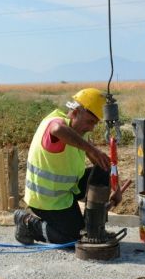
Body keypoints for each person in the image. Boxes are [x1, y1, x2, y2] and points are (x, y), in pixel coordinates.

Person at [14, 88, 124, 245]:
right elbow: (58, 130)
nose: (91, 128)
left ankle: (94, 228)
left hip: (66, 192)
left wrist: (116, 188)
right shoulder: (56, 123)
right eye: (90, 122)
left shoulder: (78, 133)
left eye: (95, 123)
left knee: (102, 169)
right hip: (46, 199)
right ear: (76, 111)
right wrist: (92, 149)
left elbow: (100, 162)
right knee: (72, 238)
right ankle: (26, 222)